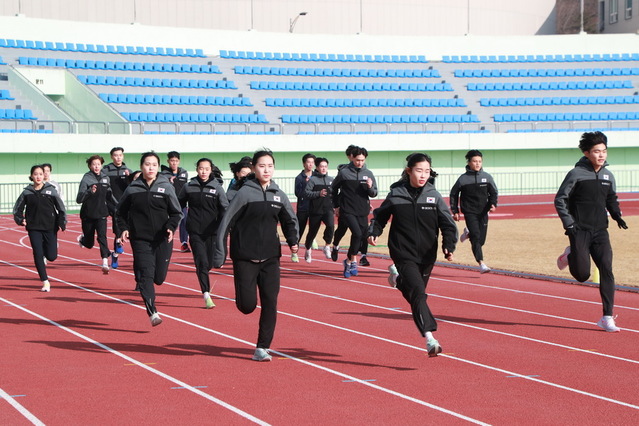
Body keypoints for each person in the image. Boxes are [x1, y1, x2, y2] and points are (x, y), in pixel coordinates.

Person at [368, 153, 457, 357]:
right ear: (409, 171)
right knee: (418, 293)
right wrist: (373, 231)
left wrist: (449, 245)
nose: (423, 175)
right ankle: (430, 337)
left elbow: (447, 224)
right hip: (402, 251)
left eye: (427, 171)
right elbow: (380, 217)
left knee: (415, 295)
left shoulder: (434, 196)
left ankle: (397, 280)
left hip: (427, 254)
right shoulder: (397, 194)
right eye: (419, 170)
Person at [214, 149, 299, 362]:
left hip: (271, 257)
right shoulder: (244, 193)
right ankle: (244, 300)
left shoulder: (278, 193)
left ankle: (262, 347)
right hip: (245, 256)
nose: (266, 170)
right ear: (254, 168)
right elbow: (225, 224)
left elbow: (290, 219)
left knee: (271, 302)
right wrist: (220, 253)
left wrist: (293, 240)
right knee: (247, 306)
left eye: (270, 166)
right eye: (262, 166)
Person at [554, 131, 628, 333]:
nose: (601, 155)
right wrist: (569, 224)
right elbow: (560, 199)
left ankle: (607, 317)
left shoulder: (608, 175)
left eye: (604, 151)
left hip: (600, 231)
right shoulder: (576, 174)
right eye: (597, 151)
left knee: (607, 270)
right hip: (579, 230)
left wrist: (616, 215)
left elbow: (611, 197)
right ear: (587, 153)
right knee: (582, 275)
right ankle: (570, 253)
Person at [116, 152, 183, 326]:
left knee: (158, 278)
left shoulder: (166, 187)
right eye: (147, 164)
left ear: (158, 167)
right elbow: (120, 212)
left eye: (154, 164)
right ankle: (152, 312)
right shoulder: (132, 189)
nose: (150, 167)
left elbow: (176, 213)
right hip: (140, 239)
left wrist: (170, 227)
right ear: (141, 166)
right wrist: (123, 229)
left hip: (162, 239)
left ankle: (141, 273)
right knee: (146, 274)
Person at [178, 158, 229, 309]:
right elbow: (178, 204)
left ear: (211, 170)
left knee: (210, 263)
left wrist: (225, 225)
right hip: (194, 231)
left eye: (206, 169)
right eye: (201, 168)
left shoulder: (217, 187)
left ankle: (204, 273)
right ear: (197, 169)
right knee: (201, 261)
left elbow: (224, 208)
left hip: (212, 231)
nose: (203, 172)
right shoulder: (189, 187)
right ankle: (206, 294)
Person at [13, 165, 67, 292]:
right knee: (37, 253)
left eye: (40, 174)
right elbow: (17, 209)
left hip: (50, 227)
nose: (38, 176)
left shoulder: (51, 190)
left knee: (52, 256)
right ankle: (45, 281)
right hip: (34, 227)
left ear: (44, 176)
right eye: (35, 174)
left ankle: (47, 252)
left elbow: (61, 208)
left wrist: (62, 222)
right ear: (31, 176)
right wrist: (20, 220)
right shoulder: (27, 192)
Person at [331, 146, 377, 278]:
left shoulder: (368, 174)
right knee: (356, 233)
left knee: (361, 236)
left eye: (362, 160)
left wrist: (369, 187)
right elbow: (333, 189)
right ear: (352, 158)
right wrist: (336, 206)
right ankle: (343, 253)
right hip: (347, 209)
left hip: (362, 210)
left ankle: (350, 260)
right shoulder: (344, 173)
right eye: (357, 160)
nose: (360, 163)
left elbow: (374, 193)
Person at [449, 149, 498, 274]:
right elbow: (454, 194)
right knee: (476, 237)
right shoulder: (463, 179)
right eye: (475, 161)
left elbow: (493, 192)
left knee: (481, 240)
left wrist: (493, 204)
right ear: (469, 163)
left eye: (479, 161)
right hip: (469, 211)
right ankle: (481, 263)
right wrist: (455, 210)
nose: (477, 164)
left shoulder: (486, 177)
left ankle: (469, 233)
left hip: (483, 211)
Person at [76, 155, 117, 274]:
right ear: (90, 166)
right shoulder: (86, 179)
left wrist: (118, 205)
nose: (96, 166)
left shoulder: (105, 178)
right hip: (88, 214)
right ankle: (83, 239)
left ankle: (104, 261)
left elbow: (110, 196)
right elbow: (79, 199)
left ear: (101, 165)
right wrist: (89, 191)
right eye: (94, 164)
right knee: (89, 244)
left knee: (102, 237)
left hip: (101, 213)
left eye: (98, 164)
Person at [103, 147, 132, 269]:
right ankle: (118, 243)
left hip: (124, 202)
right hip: (111, 201)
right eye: (115, 155)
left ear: (123, 156)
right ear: (111, 156)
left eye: (120, 155)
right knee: (117, 218)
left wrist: (129, 178)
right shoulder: (106, 170)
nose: (118, 157)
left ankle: (115, 252)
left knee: (124, 224)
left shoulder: (128, 170)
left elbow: (132, 187)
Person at [303, 157, 334, 262]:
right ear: (317, 167)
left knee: (330, 226)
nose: (324, 168)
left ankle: (327, 246)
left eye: (325, 166)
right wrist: (318, 194)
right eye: (321, 166)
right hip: (315, 210)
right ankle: (308, 249)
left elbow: (335, 194)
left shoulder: (331, 180)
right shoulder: (313, 180)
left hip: (328, 209)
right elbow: (306, 193)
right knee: (312, 232)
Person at [330, 144, 357, 262]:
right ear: (349, 156)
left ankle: (352, 258)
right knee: (342, 229)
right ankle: (335, 245)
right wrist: (336, 205)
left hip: (357, 206)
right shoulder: (343, 170)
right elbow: (335, 188)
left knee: (358, 232)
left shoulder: (362, 170)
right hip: (344, 205)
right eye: (352, 155)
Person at [161, 151, 190, 252]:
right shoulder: (163, 175)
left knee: (185, 221)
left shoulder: (184, 173)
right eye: (172, 161)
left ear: (179, 161)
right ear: (168, 161)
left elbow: (185, 187)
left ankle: (184, 243)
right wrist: (170, 182)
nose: (174, 163)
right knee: (168, 223)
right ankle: (164, 241)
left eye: (176, 161)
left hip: (181, 203)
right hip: (168, 203)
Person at [293, 153, 316, 262]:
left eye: (312, 162)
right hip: (303, 207)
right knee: (299, 230)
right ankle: (294, 252)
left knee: (313, 229)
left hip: (315, 207)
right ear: (304, 164)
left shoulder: (317, 176)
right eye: (308, 162)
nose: (310, 164)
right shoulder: (299, 178)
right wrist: (307, 187)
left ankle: (308, 251)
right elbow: (298, 193)